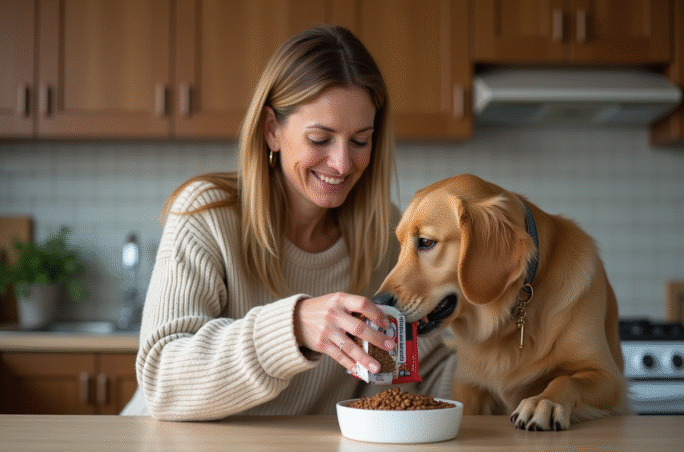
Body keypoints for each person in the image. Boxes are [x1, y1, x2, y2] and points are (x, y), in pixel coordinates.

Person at [121, 25, 456, 421]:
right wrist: (292, 328)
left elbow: (418, 371)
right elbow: (162, 381)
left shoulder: (385, 233)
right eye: (319, 139)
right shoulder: (206, 216)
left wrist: (511, 357)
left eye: (360, 140)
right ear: (271, 130)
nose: (343, 164)